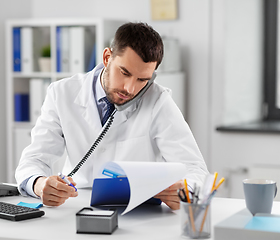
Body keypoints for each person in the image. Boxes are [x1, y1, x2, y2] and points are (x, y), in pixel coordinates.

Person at [15, 22, 208, 210]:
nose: (130, 88)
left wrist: (185, 192)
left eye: (142, 80)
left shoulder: (159, 101)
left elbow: (195, 168)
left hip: (138, 211)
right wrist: (39, 184)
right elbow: (34, 160)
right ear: (107, 57)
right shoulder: (61, 93)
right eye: (124, 72)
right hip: (75, 205)